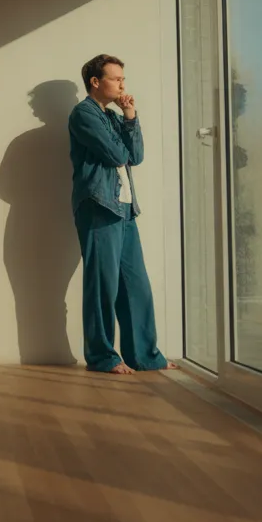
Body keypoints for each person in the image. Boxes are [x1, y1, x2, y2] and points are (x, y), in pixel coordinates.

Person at [67, 54, 178, 375]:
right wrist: (124, 135)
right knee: (102, 283)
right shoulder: (83, 114)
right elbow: (117, 154)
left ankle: (144, 356)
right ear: (95, 82)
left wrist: (130, 115)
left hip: (125, 207)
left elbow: (136, 157)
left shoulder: (114, 116)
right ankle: (102, 356)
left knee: (135, 284)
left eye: (123, 80)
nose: (122, 85)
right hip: (99, 205)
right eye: (116, 79)